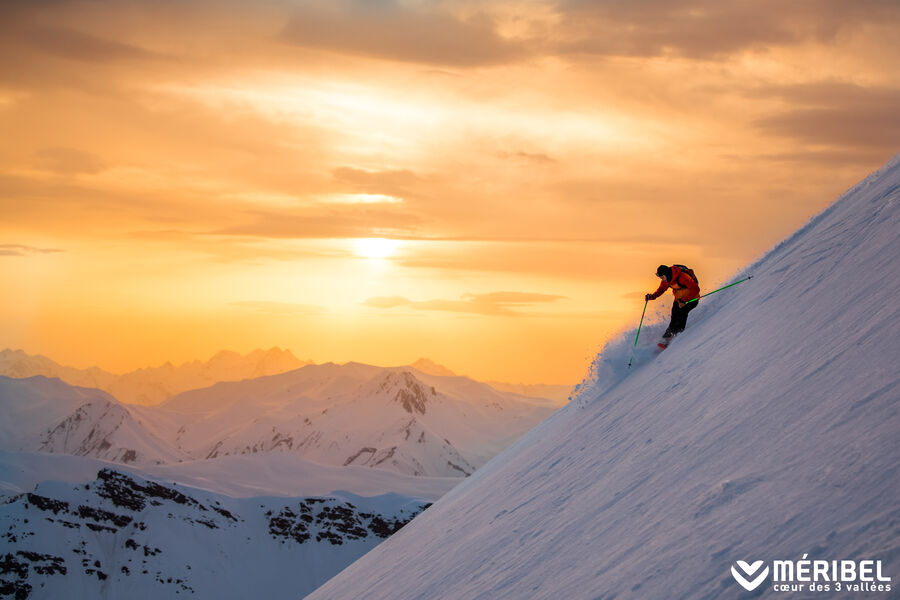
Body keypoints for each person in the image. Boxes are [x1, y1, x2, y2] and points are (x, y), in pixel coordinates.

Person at [645, 264, 701, 345]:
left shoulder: (682, 277)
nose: (662, 279)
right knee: (674, 315)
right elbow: (661, 289)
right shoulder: (666, 280)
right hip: (679, 299)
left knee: (682, 314)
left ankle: (678, 335)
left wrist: (685, 301)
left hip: (691, 299)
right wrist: (652, 296)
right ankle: (666, 339)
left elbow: (696, 289)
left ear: (667, 274)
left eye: (662, 277)